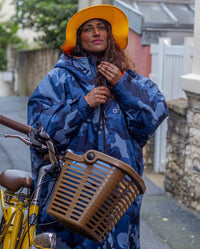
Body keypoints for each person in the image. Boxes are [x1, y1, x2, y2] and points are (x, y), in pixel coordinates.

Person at [28, 4, 168, 249]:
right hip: (71, 193)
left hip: (117, 193)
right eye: (88, 29)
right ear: (78, 38)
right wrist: (83, 104)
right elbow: (39, 133)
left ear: (109, 35)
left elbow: (150, 120)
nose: (96, 33)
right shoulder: (58, 79)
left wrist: (122, 85)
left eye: (102, 27)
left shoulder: (129, 77)